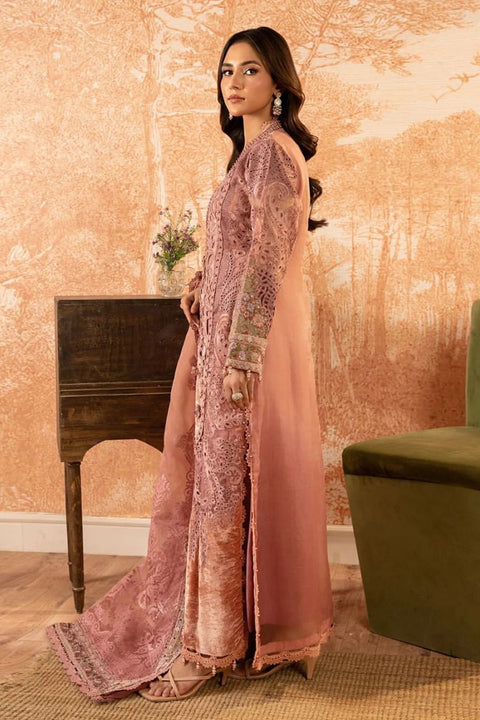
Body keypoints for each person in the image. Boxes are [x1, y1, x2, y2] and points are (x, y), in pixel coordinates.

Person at [47, 26, 333, 703]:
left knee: (228, 490)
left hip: (245, 355)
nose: (235, 82)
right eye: (227, 71)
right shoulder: (251, 155)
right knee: (222, 489)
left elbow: (269, 263)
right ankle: (241, 631)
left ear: (279, 82)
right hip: (223, 343)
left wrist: (242, 356)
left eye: (251, 70)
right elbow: (239, 251)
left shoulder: (273, 155)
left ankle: (213, 645)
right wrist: (204, 281)